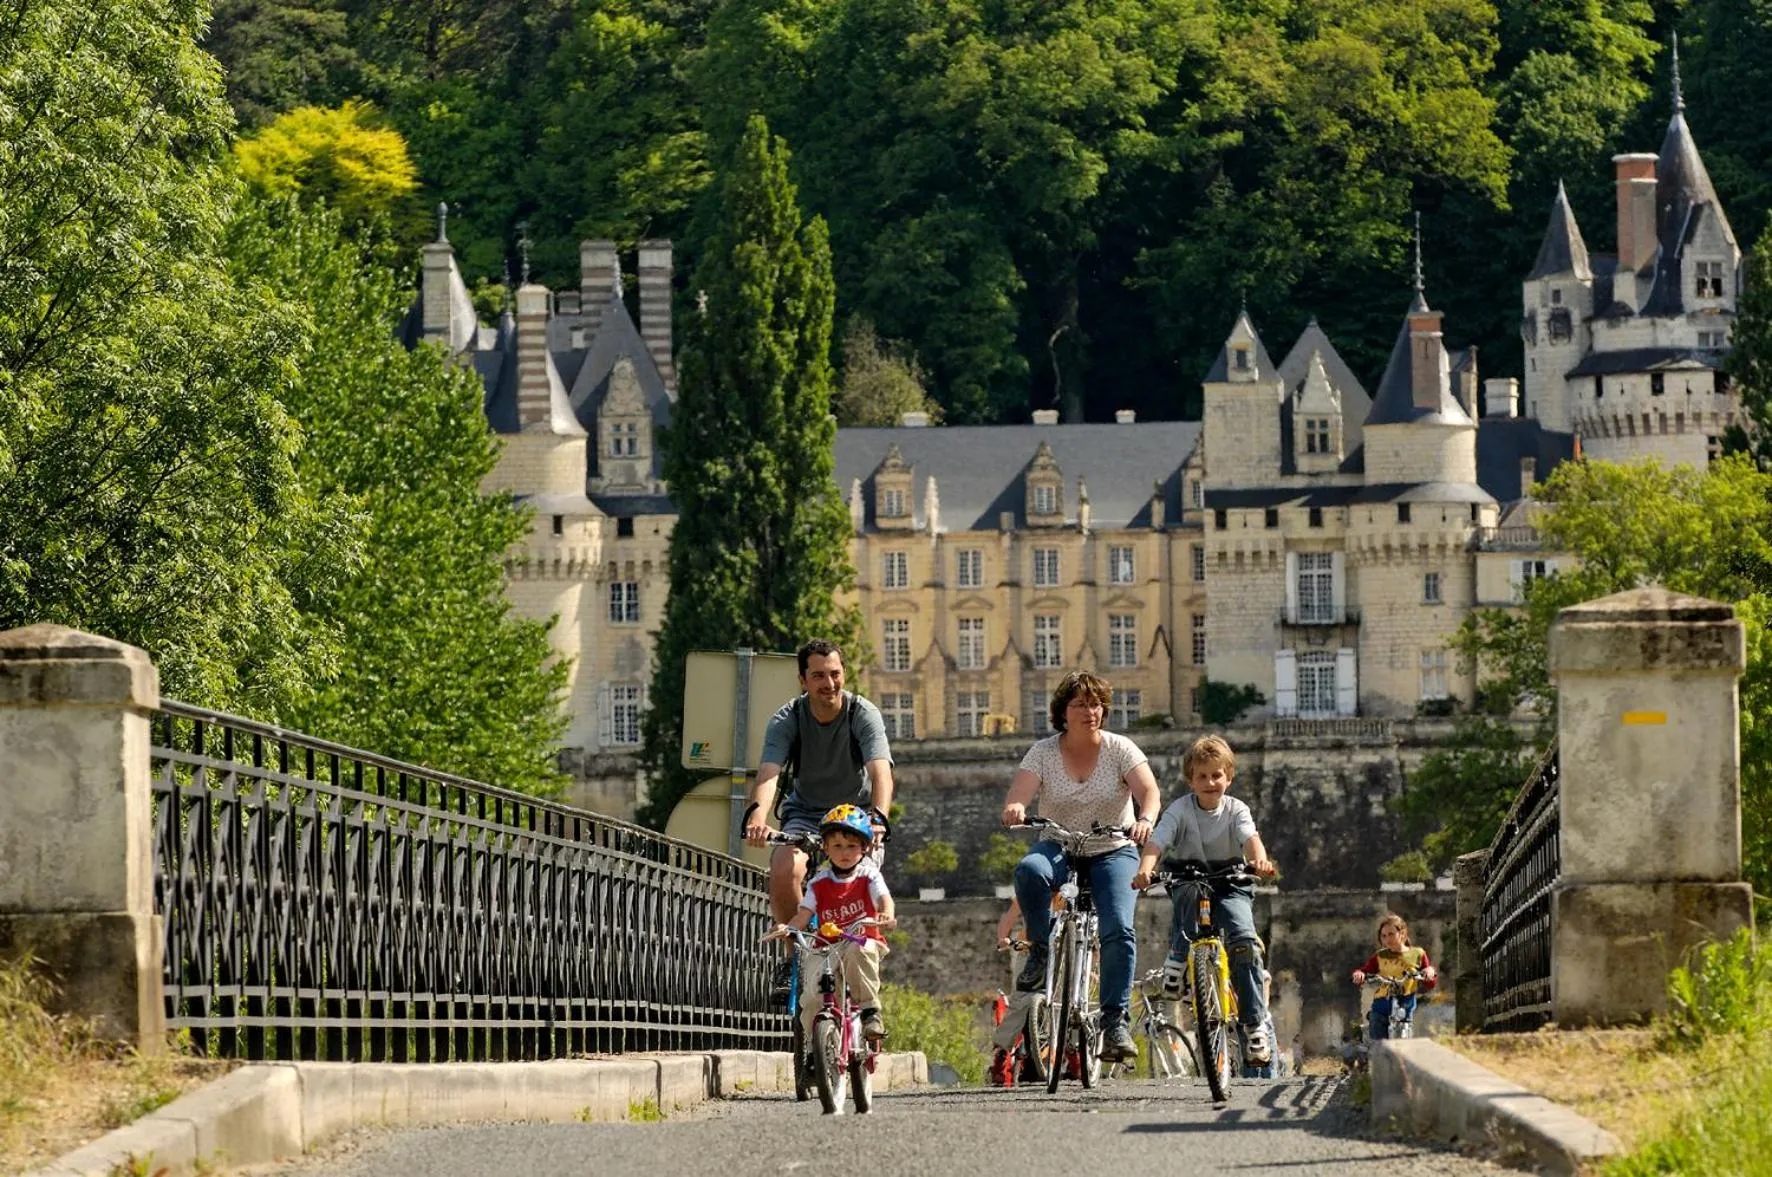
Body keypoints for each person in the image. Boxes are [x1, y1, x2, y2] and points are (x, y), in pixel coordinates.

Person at [1000, 671, 1161, 1064]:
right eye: (1079, 704)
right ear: (1063, 712)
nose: (1089, 711)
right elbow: (1020, 792)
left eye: (1095, 703)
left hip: (1112, 849)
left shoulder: (1120, 749)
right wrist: (1017, 807)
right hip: (1059, 845)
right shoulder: (1043, 752)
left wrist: (1145, 818)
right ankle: (1040, 948)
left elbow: (1149, 792)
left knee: (1118, 928)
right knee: (1028, 871)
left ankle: (1114, 1022)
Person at [744, 639, 895, 998]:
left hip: (855, 819)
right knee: (784, 868)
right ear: (803, 680)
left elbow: (881, 772)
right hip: (807, 814)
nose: (829, 684)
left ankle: (864, 970)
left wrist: (879, 818)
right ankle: (793, 957)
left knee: (860, 888)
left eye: (835, 674)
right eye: (819, 676)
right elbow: (769, 773)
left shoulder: (862, 714)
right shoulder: (788, 718)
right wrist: (757, 818)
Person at [1131, 734, 1279, 1064]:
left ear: (1229, 777)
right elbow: (1157, 843)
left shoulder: (1236, 809)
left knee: (1244, 941)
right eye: (1202, 776)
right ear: (1190, 780)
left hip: (1230, 879)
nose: (1210, 782)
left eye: (1217, 775)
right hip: (1187, 873)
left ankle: (1254, 1026)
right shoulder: (1179, 810)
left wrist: (1260, 861)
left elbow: (1250, 838)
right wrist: (1145, 870)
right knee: (1187, 895)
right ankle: (1178, 956)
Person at [776, 804, 897, 1042]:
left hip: (863, 940)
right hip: (828, 946)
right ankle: (814, 1045)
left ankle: (870, 1011)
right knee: (811, 995)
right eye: (837, 846)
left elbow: (884, 899)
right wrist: (788, 928)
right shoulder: (818, 883)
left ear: (864, 848)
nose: (845, 853)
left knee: (857, 951)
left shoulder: (868, 876)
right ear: (826, 848)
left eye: (852, 846)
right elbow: (804, 914)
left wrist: (886, 914)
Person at [1352, 912, 1437, 1041]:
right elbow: (1365, 971)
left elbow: (1429, 980)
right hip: (1381, 1006)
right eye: (1383, 936)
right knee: (1379, 1046)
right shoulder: (1379, 956)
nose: (1387, 939)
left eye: (1391, 934)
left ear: (1402, 934)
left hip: (1405, 1006)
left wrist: (1429, 972)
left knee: (1404, 1044)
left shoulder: (1417, 954)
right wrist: (1360, 974)